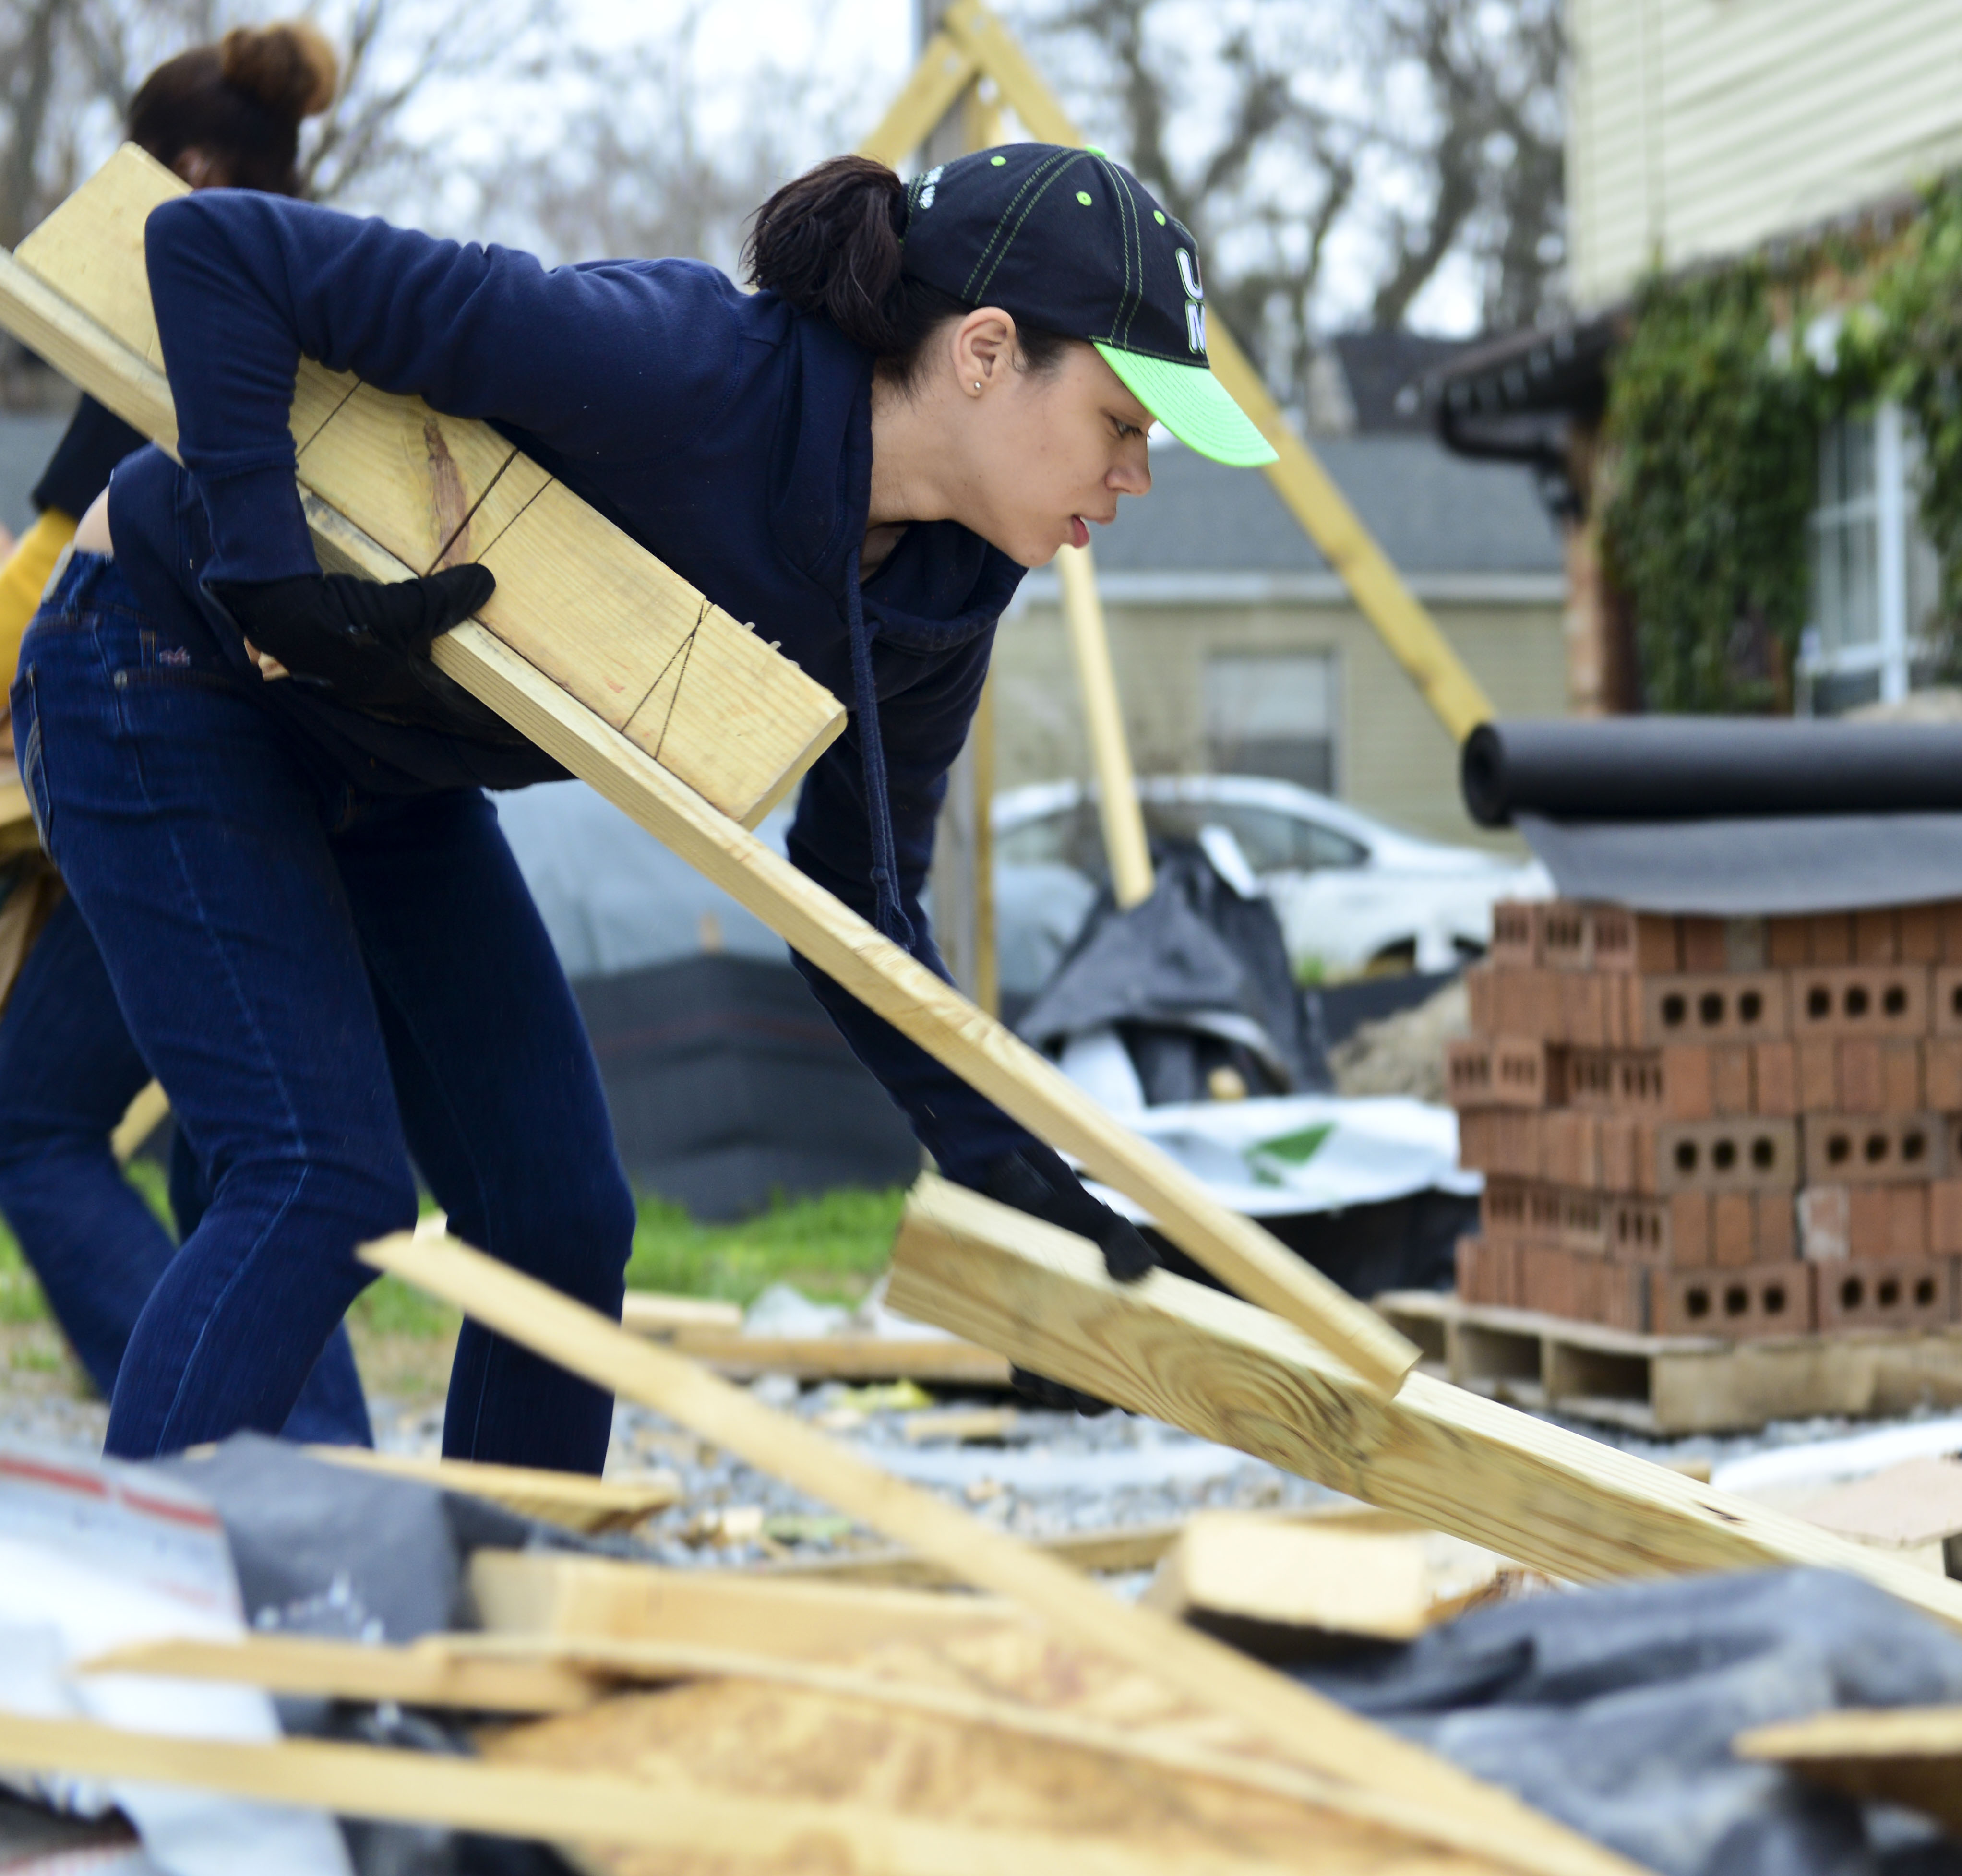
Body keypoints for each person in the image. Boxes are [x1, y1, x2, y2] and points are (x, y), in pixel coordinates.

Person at [23, 140, 1273, 1467]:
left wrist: (1004, 1173)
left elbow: (855, 896)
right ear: (985, 352)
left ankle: (511, 1587)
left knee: (560, 1217)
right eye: (1121, 426)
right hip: (166, 662)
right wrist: (268, 579)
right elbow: (214, 251)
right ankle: (136, 1586)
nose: (1135, 477)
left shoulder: (940, 596)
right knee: (318, 1179)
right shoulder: (679, 368)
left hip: (390, 766)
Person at [0, 23, 370, 1446]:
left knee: (44, 1123)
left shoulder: (177, 297)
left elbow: (48, 573)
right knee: (261, 1155)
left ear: (192, 170)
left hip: (169, 749)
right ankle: (307, 1466)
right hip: (316, 757)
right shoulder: (331, 298)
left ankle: (238, 1455)